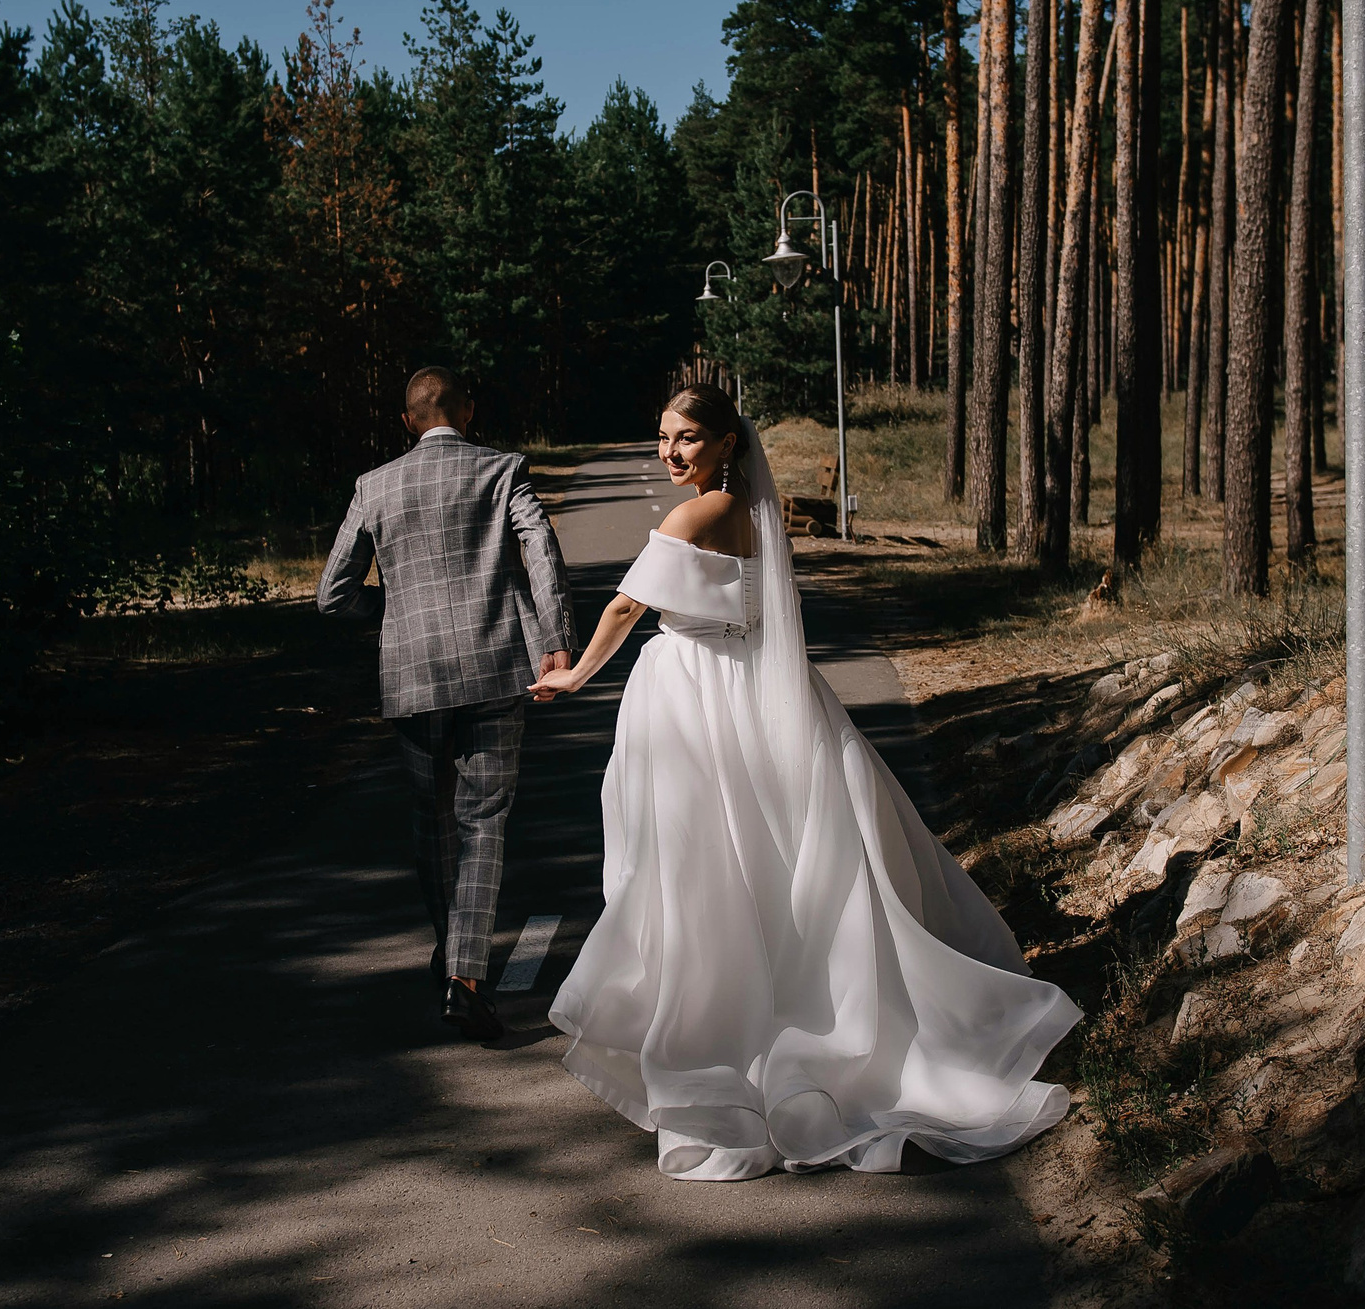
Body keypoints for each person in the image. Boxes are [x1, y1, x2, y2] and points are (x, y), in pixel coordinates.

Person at [529, 383, 1080, 1179]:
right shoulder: (755, 508)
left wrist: (577, 675)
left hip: (695, 694)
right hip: (747, 686)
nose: (669, 453)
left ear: (725, 443)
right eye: (662, 437)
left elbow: (624, 606)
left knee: (702, 868)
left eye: (686, 438)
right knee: (765, 861)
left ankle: (722, 1040)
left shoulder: (698, 514)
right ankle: (778, 1014)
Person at [319, 366, 574, 1041]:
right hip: (495, 668)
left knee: (432, 821)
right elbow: (541, 552)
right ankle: (466, 978)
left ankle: (451, 954)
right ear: (467, 411)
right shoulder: (501, 470)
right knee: (484, 818)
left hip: (412, 676)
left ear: (408, 420)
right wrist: (556, 639)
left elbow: (331, 592)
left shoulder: (372, 486)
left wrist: (394, 609)